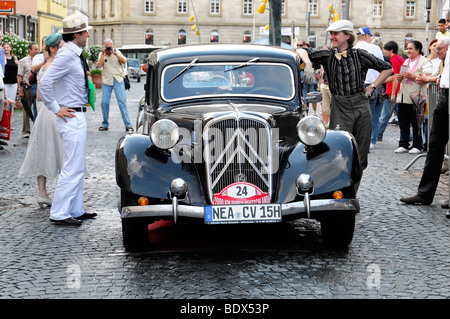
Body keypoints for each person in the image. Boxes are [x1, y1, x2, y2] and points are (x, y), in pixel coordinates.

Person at [296, 20, 393, 179]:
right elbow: (300, 50)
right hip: (340, 106)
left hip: (361, 104)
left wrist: (373, 86)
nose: (332, 37)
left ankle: (353, 190)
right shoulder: (327, 56)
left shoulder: (360, 55)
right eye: (331, 34)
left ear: (347, 36)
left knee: (361, 152)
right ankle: (340, 191)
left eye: (335, 34)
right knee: (340, 151)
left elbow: (387, 68)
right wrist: (307, 63)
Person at [39, 13, 96, 226]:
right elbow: (45, 84)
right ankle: (60, 213)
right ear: (76, 34)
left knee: (78, 166)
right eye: (85, 32)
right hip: (70, 115)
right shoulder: (66, 55)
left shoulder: (75, 53)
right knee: (72, 166)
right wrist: (56, 109)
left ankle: (75, 209)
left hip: (77, 114)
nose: (88, 34)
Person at [400, 12, 450, 215]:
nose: (446, 24)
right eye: (447, 21)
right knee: (435, 146)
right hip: (444, 95)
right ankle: (425, 193)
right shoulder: (446, 40)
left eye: (448, 21)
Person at [18, 33, 65, 209]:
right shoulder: (58, 66)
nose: (64, 48)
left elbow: (38, 96)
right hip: (58, 111)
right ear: (53, 48)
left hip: (44, 113)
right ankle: (63, 195)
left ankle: (42, 193)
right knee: (63, 152)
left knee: (43, 151)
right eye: (61, 46)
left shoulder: (43, 67)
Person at [394, 40, 433, 154]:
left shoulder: (425, 61)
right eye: (407, 48)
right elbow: (402, 75)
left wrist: (412, 76)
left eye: (411, 48)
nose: (408, 51)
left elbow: (427, 77)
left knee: (417, 122)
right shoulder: (406, 60)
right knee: (403, 121)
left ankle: (417, 144)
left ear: (418, 50)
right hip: (403, 96)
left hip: (417, 96)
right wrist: (401, 78)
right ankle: (403, 143)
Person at [354, 27, 384, 150]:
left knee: (360, 114)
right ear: (366, 36)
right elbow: (384, 67)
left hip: (360, 85)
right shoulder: (375, 48)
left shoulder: (353, 49)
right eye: (370, 36)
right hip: (374, 85)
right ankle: (371, 139)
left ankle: (362, 139)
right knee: (374, 114)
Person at [97, 39, 133, 133]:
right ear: (104, 46)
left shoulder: (117, 52)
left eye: (110, 46)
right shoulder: (102, 54)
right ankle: (105, 124)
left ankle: (128, 125)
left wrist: (114, 52)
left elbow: (124, 61)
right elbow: (99, 65)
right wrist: (102, 52)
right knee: (104, 103)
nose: (109, 48)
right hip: (107, 81)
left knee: (122, 102)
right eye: (107, 46)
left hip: (118, 80)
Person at [377, 41, 404, 142]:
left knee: (384, 115)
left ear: (391, 50)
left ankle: (378, 135)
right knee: (400, 116)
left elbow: (396, 77)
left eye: (386, 50)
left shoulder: (394, 60)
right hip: (398, 91)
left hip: (392, 91)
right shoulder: (400, 59)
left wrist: (392, 93)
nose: (385, 52)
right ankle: (408, 136)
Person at [17, 42, 39, 138]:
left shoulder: (39, 60)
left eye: (38, 49)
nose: (37, 51)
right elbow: (19, 76)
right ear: (30, 50)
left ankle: (37, 129)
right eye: (35, 49)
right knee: (27, 110)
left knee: (37, 109)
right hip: (27, 88)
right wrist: (20, 90)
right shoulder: (23, 61)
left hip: (37, 87)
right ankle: (26, 131)